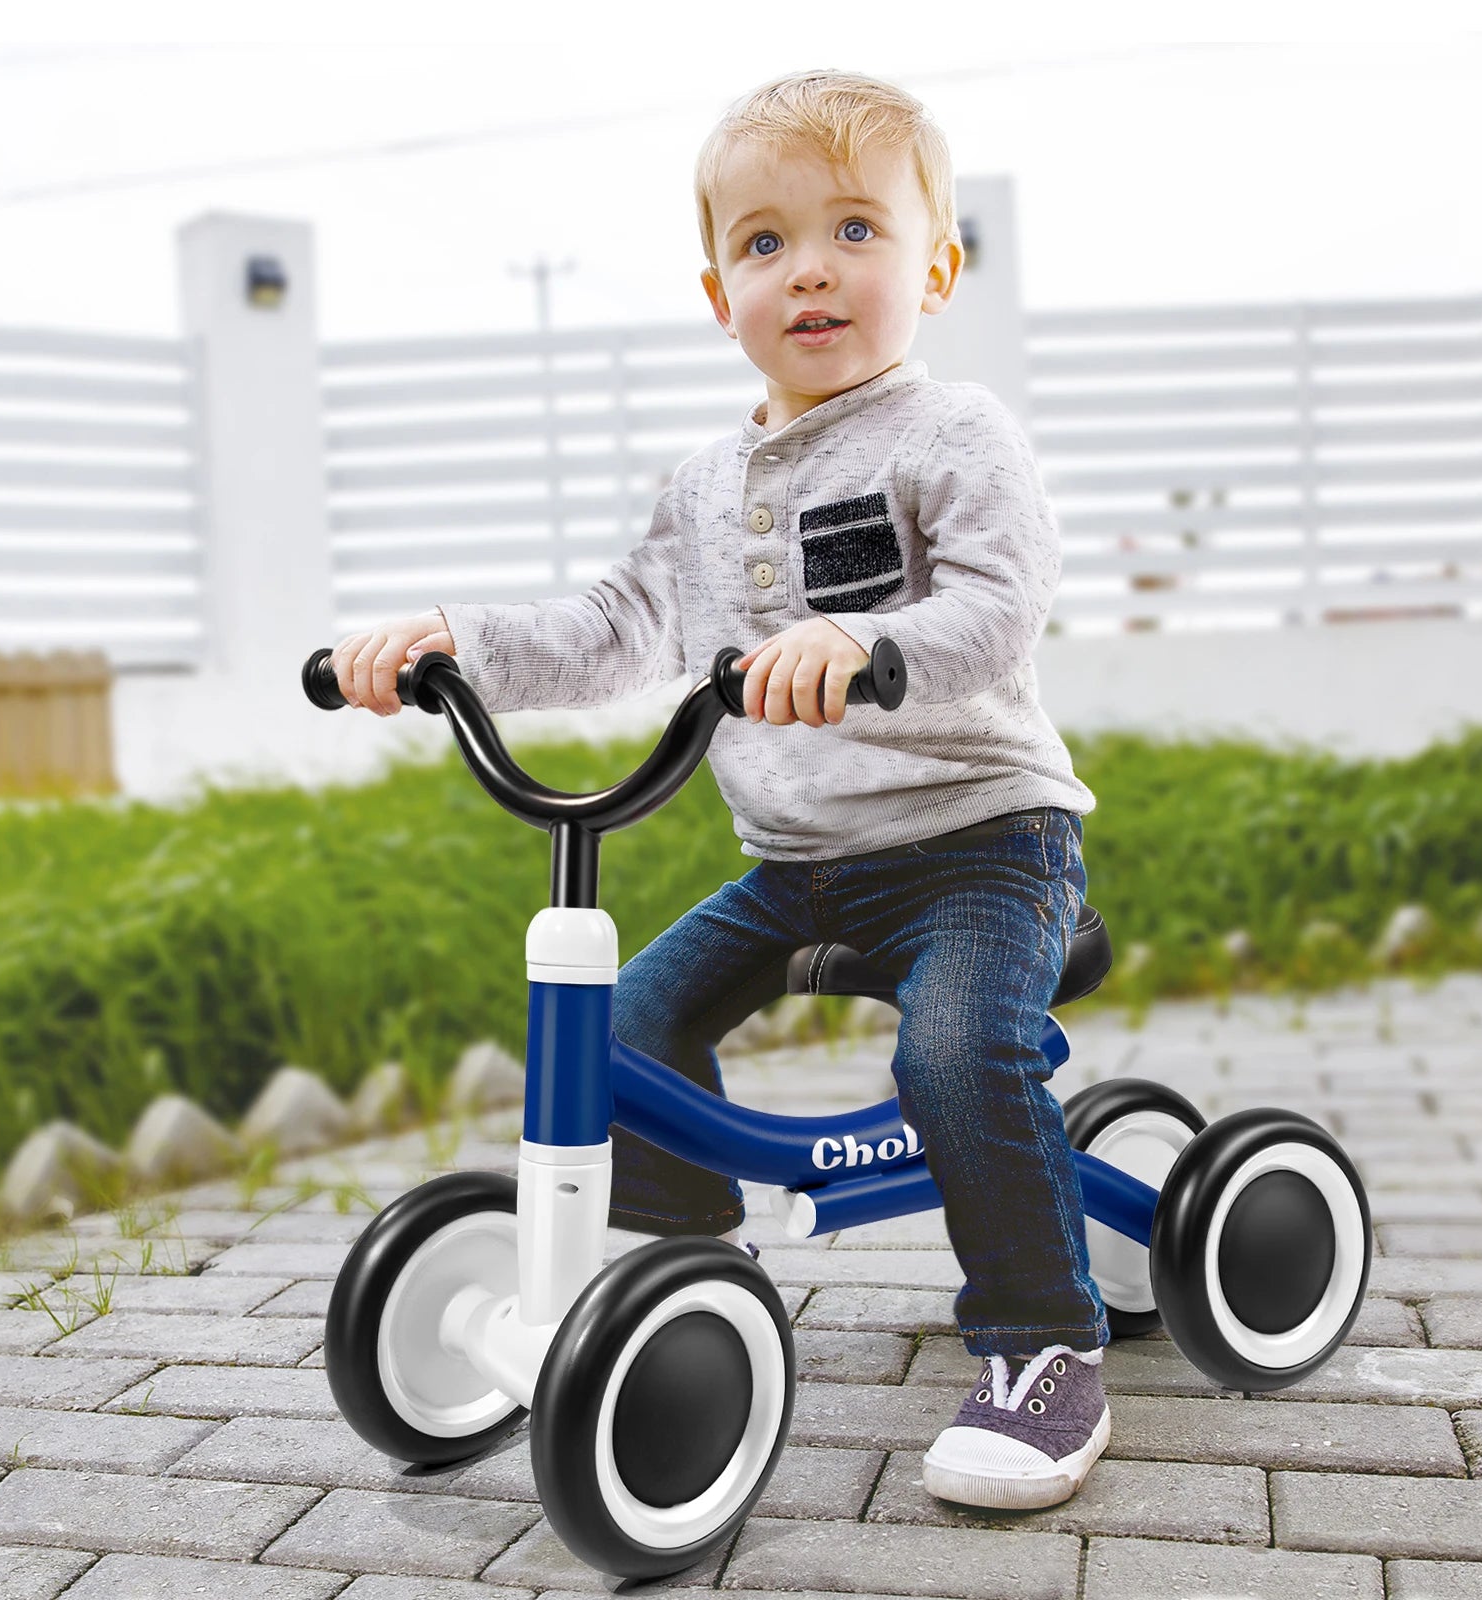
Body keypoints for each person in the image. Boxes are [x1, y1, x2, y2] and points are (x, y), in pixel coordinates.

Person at [332, 68, 1108, 1512]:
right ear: (719, 295)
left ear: (934, 267)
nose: (808, 266)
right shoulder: (701, 487)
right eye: (764, 244)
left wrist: (865, 644)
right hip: (798, 866)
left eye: (856, 230)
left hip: (984, 849)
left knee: (952, 1063)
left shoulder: (955, 435)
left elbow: (1002, 612)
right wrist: (455, 644)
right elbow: (613, 625)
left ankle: (1043, 1343)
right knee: (622, 1026)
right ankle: (694, 1266)